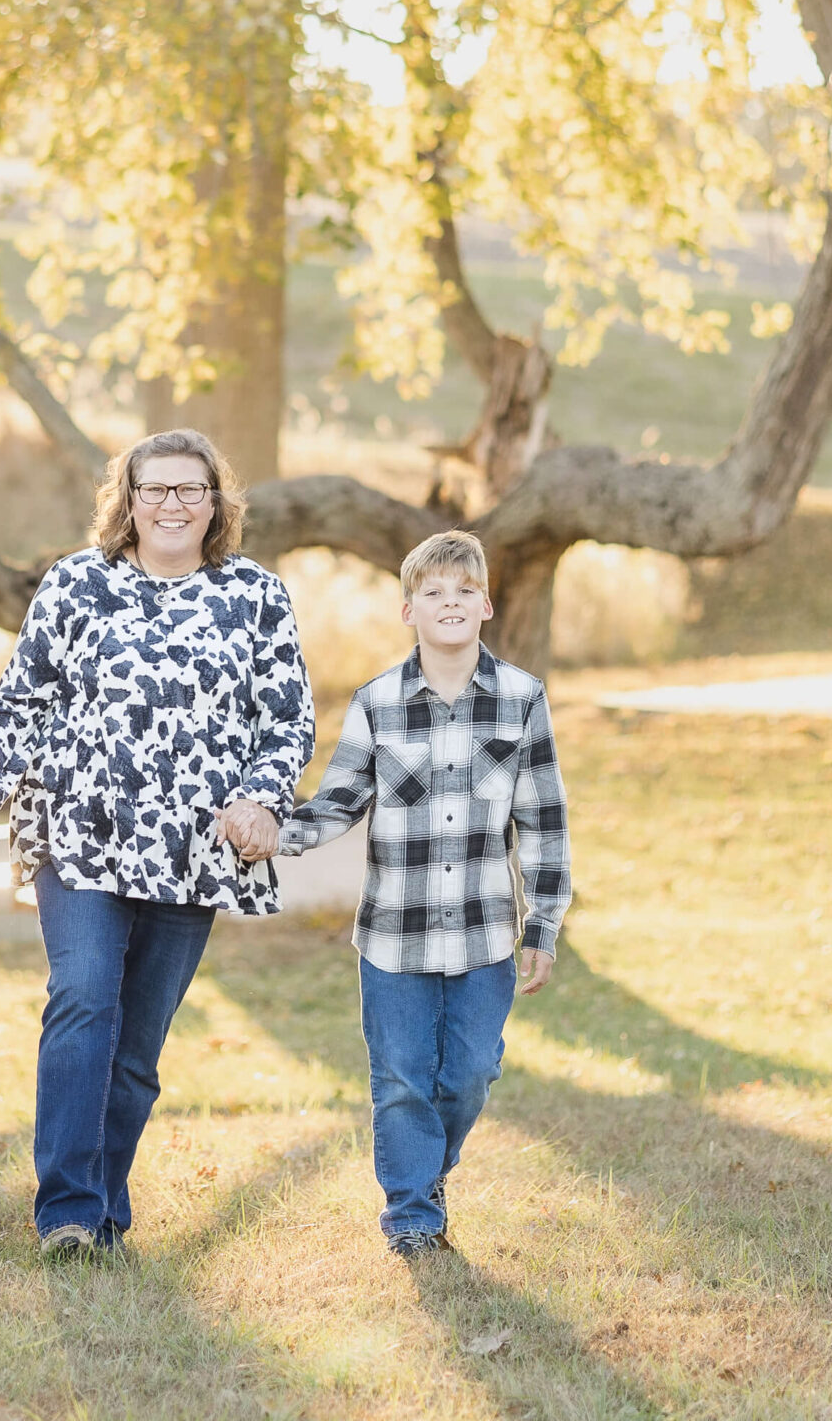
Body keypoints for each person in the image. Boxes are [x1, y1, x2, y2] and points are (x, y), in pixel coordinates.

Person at [0, 429, 314, 1259]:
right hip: (81, 832)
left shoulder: (255, 595)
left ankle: (101, 1204)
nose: (172, 504)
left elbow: (285, 722)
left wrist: (259, 798)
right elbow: (20, 703)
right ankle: (66, 1211)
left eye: (190, 490)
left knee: (136, 1050)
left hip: (194, 848)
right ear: (128, 501)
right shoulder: (75, 584)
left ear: (216, 503)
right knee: (85, 996)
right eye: (155, 489)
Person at [278, 528, 572, 1260]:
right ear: (408, 611)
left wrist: (543, 925)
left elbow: (542, 817)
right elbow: (338, 802)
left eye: (463, 591)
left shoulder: (521, 700)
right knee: (403, 1078)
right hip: (394, 936)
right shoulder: (377, 703)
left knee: (470, 1074)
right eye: (432, 592)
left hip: (484, 935)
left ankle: (430, 1170)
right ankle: (411, 1215)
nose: (449, 602)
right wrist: (272, 831)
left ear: (487, 606)